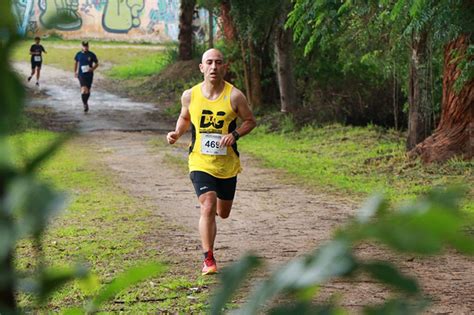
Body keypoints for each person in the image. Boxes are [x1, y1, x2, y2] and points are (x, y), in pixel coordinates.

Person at [167, 48, 257, 275]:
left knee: (222, 212)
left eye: (218, 62)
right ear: (201, 67)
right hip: (200, 161)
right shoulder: (190, 95)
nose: (214, 67)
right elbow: (185, 117)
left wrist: (234, 135)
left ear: (225, 67)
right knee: (207, 205)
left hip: (227, 164)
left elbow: (250, 121)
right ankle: (208, 258)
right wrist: (177, 133)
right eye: (209, 62)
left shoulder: (235, 96)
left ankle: (212, 215)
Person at [74, 41, 99, 112]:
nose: (85, 48)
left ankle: (86, 102)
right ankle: (84, 104)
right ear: (82, 46)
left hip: (89, 75)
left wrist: (92, 68)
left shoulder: (91, 54)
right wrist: (75, 72)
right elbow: (75, 63)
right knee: (83, 89)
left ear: (88, 46)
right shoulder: (78, 54)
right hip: (81, 74)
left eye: (86, 46)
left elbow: (97, 63)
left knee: (87, 90)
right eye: (84, 46)